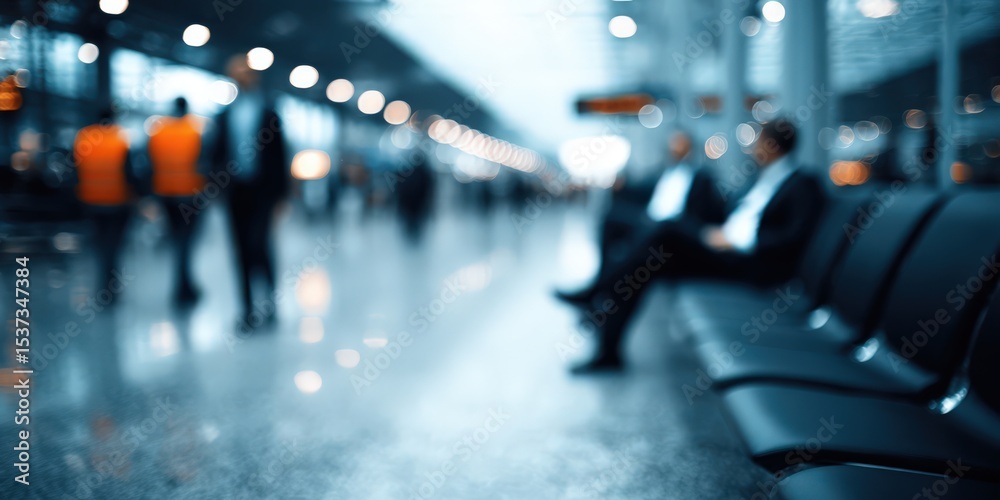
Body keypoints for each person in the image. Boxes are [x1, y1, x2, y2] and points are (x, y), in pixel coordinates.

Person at [569, 118, 825, 374]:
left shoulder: (803, 183)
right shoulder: (760, 180)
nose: (751, 148)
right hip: (723, 247)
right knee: (648, 261)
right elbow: (731, 214)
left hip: (746, 263)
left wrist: (736, 240)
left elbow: (794, 236)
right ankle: (608, 349)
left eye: (756, 142)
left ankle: (597, 292)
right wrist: (722, 232)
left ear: (772, 145)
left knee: (667, 228)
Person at [556, 130, 726, 305]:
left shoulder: (702, 177)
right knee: (612, 217)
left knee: (654, 237)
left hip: (672, 230)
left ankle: (597, 290)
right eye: (672, 144)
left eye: (679, 144)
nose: (674, 148)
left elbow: (704, 215)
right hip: (649, 220)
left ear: (689, 147)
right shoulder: (664, 172)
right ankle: (601, 280)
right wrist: (621, 184)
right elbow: (641, 188)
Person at [211, 55, 290, 323]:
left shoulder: (269, 113)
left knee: (260, 244)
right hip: (236, 192)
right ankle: (246, 308)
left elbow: (280, 156)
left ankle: (269, 301)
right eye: (237, 73)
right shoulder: (223, 116)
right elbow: (216, 154)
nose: (242, 78)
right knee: (240, 248)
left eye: (246, 73)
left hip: (263, 191)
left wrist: (283, 194)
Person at [148, 97, 205, 305]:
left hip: (166, 194)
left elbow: (150, 163)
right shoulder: (195, 130)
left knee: (176, 240)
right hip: (190, 194)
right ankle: (183, 287)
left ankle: (184, 285)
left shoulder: (159, 132)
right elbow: (203, 162)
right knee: (186, 241)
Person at [73, 107, 135, 295]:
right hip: (117, 200)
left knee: (100, 243)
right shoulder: (120, 138)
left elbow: (75, 170)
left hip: (91, 200)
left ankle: (104, 282)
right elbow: (129, 172)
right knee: (114, 243)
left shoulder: (84, 137)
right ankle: (110, 284)